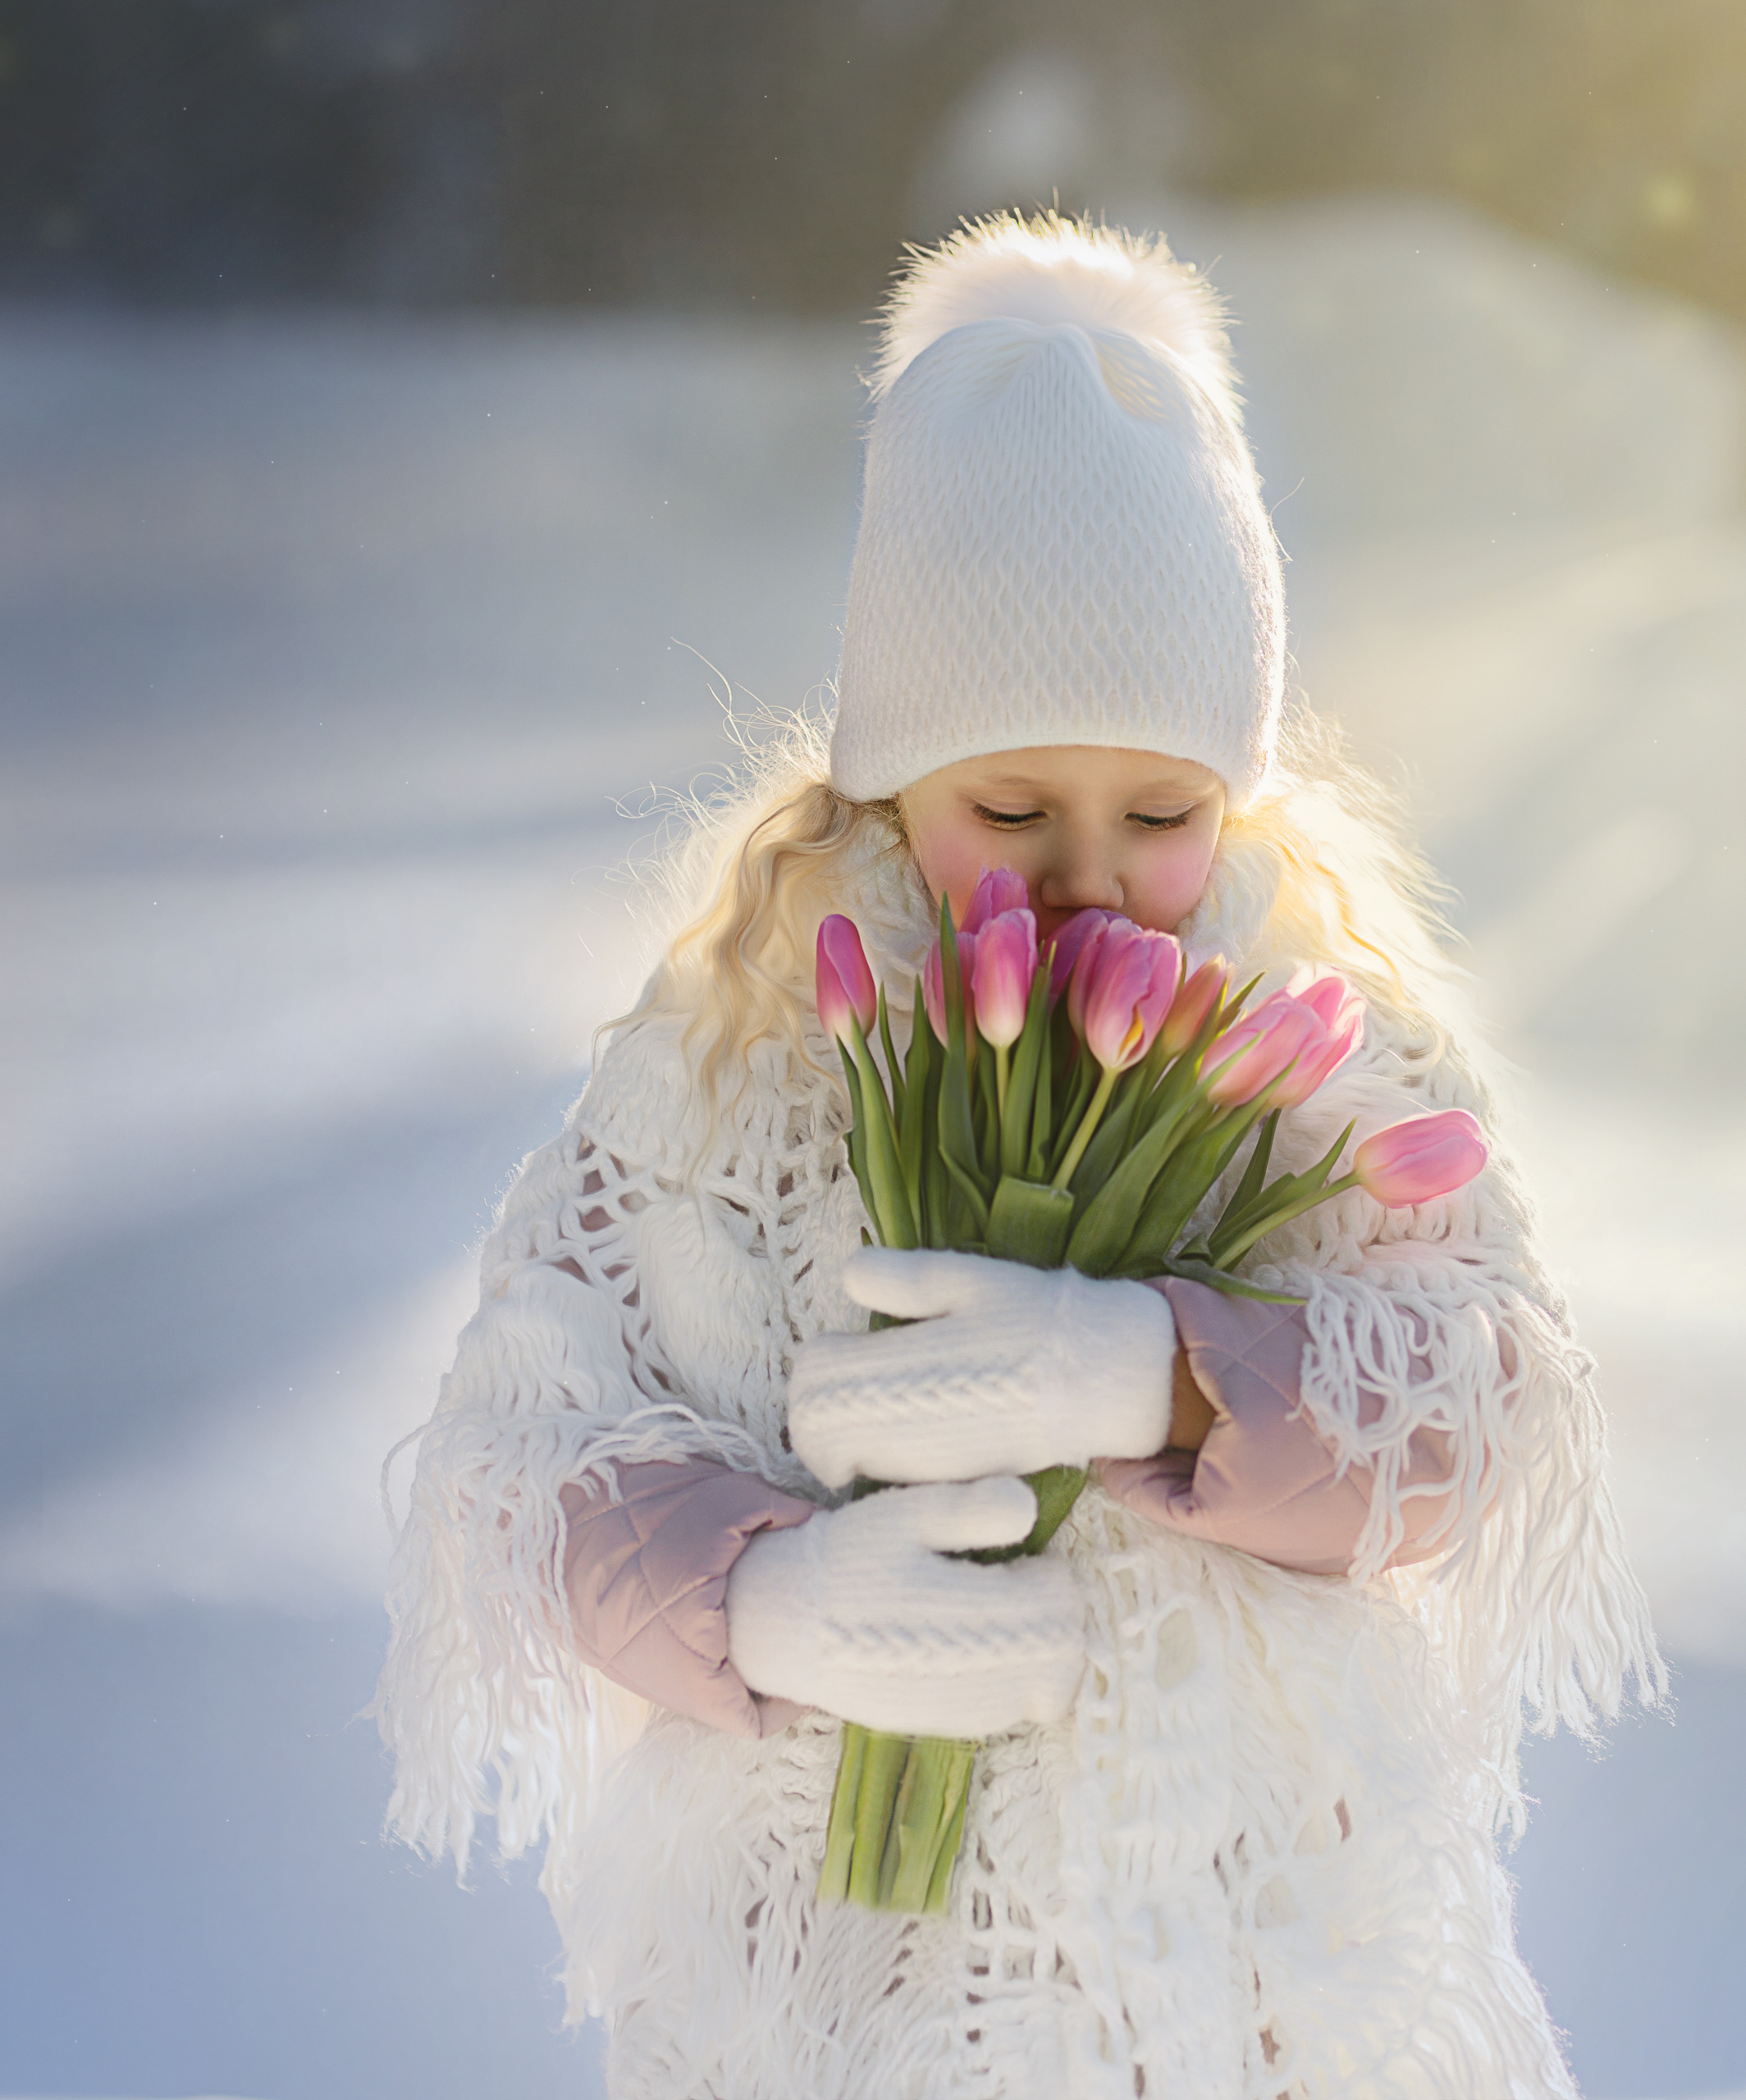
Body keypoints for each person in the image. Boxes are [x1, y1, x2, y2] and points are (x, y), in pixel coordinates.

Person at [377, 212, 1662, 2100]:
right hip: (837, 1979)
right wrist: (756, 1603)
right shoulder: (733, 1062)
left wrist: (1164, 1371)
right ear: (886, 775)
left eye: (1155, 808)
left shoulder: (1312, 1049)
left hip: (1230, 1959)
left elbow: (1486, 1391)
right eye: (1005, 801)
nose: (1079, 867)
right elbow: (531, 1439)